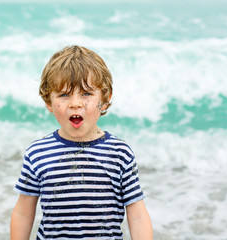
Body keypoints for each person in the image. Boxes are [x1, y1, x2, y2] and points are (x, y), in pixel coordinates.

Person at [10, 45, 153, 239]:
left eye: (86, 94)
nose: (75, 103)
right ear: (49, 102)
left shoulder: (119, 153)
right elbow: (23, 212)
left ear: (105, 99)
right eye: (64, 95)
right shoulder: (38, 153)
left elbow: (137, 215)